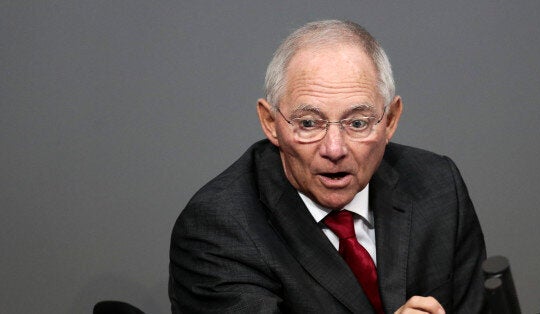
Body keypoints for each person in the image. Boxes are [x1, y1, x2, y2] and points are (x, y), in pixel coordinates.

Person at [169, 20, 486, 314]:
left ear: (390, 121)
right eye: (308, 123)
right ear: (270, 122)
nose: (334, 149)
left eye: (358, 123)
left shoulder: (438, 185)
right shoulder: (217, 230)